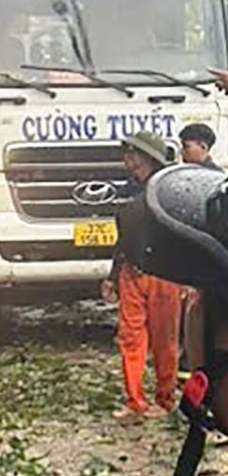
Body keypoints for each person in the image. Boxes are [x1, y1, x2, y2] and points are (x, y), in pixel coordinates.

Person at [103, 131, 182, 424]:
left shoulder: (168, 191)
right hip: (132, 272)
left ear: (148, 157)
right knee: (130, 338)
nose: (127, 158)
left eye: (133, 153)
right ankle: (135, 400)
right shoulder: (126, 191)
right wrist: (112, 277)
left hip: (165, 274)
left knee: (165, 340)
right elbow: (122, 238)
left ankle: (165, 398)